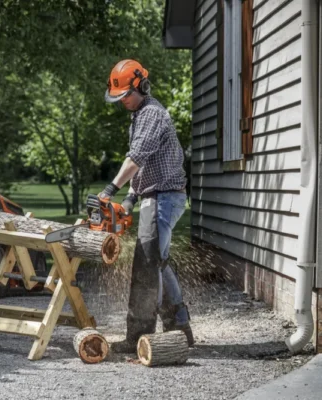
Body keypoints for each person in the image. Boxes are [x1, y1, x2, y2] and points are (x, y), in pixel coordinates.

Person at [98, 59, 194, 352]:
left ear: (140, 86)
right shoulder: (139, 115)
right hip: (157, 195)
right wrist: (129, 198)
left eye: (125, 94)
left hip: (165, 196)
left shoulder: (151, 114)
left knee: (147, 264)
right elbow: (143, 166)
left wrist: (110, 189)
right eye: (119, 96)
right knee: (158, 260)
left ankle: (139, 335)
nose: (122, 101)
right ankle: (180, 328)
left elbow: (136, 158)